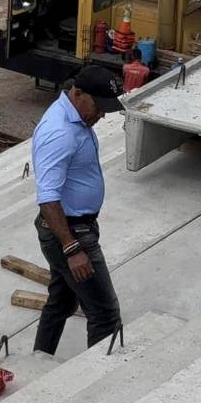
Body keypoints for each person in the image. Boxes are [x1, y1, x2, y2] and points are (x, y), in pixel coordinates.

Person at [31, 66, 125, 354]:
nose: (101, 115)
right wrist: (72, 249)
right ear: (78, 93)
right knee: (105, 315)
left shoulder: (77, 121)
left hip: (75, 228)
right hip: (69, 234)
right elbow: (47, 197)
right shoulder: (59, 132)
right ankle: (97, 385)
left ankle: (39, 357)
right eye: (98, 107)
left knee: (62, 301)